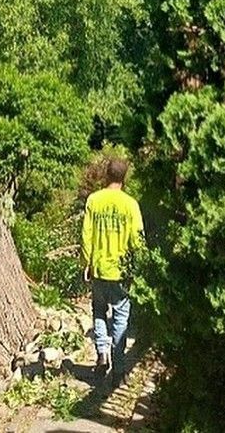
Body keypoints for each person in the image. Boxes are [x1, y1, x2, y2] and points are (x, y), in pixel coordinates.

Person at [81, 157, 144, 379]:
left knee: (99, 311)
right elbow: (138, 241)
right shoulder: (130, 204)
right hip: (121, 272)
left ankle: (101, 354)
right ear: (124, 177)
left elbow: (86, 235)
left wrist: (86, 262)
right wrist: (138, 267)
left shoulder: (94, 200)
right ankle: (118, 366)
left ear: (107, 175)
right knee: (120, 317)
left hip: (98, 268)